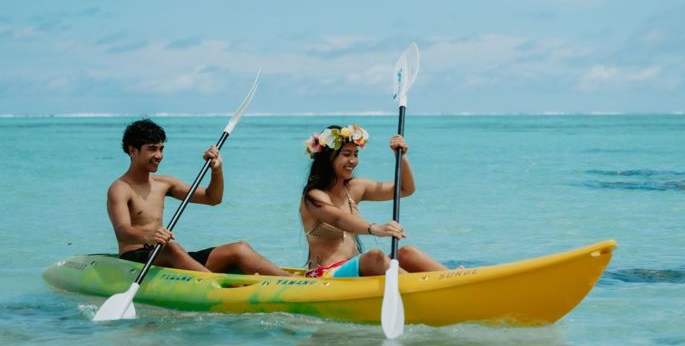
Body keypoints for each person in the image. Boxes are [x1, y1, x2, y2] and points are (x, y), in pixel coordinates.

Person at [107, 118, 291, 276]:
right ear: (132, 151)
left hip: (166, 254)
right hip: (136, 260)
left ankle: (294, 281)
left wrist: (216, 170)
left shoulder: (164, 183)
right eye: (152, 149)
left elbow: (212, 198)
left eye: (161, 149)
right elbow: (122, 231)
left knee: (239, 249)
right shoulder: (120, 188)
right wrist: (151, 236)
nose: (159, 155)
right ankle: (220, 288)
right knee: (171, 247)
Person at [300, 123, 447, 278]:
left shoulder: (355, 188)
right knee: (374, 256)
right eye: (346, 154)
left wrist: (401, 156)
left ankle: (455, 277)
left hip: (357, 269)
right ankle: (424, 287)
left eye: (355, 154)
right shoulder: (313, 195)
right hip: (326, 274)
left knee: (406, 252)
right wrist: (375, 228)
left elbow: (405, 189)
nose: (353, 161)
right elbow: (338, 219)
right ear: (328, 158)